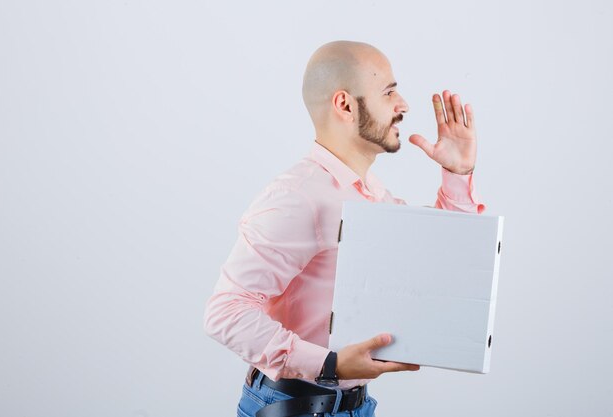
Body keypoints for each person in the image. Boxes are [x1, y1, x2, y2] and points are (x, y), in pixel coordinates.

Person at [204, 40, 485, 417]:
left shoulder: (370, 195)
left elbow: (437, 266)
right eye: (388, 92)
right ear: (346, 105)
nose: (403, 105)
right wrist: (329, 364)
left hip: (352, 406)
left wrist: (457, 172)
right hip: (295, 406)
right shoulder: (297, 196)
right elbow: (226, 311)